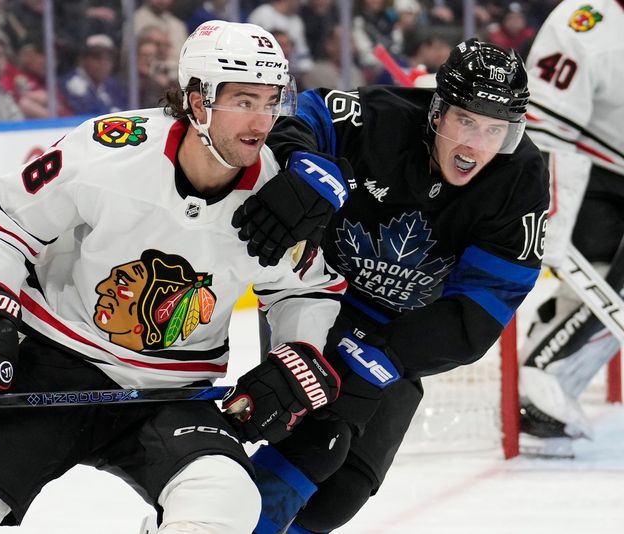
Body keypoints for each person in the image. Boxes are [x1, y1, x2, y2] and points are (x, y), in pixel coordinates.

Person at [0, 21, 346, 534]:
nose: (262, 121)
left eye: (271, 101)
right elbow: (7, 221)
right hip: (55, 366)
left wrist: (298, 354)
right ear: (198, 101)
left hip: (171, 393)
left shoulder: (278, 196)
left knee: (224, 500)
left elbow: (306, 288)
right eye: (244, 101)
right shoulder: (113, 149)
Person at [225, 38, 550, 533]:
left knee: (343, 493)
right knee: (318, 444)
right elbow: (301, 114)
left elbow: (482, 309)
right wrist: (303, 164)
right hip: (317, 299)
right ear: (438, 113)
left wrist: (388, 358)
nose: (476, 145)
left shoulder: (521, 181)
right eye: (466, 120)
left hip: (401, 338)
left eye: (495, 131)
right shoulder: (380, 118)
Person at [517, 0, 624, 457]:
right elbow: (545, 134)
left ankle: (546, 384)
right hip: (595, 178)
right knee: (597, 283)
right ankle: (539, 387)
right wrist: (551, 220)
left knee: (603, 291)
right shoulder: (587, 18)